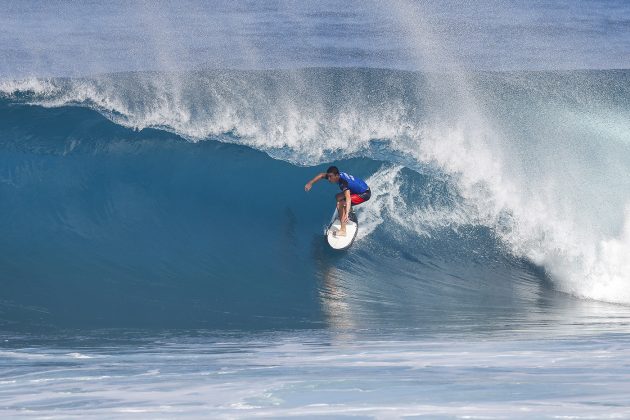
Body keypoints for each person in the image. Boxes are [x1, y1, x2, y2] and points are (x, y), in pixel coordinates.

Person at [305, 166, 371, 237]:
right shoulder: (337, 176)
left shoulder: (343, 183)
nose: (329, 179)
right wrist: (310, 183)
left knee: (340, 203)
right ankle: (348, 210)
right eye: (328, 176)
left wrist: (347, 213)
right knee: (338, 197)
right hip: (357, 188)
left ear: (336, 175)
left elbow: (348, 198)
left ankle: (343, 230)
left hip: (364, 194)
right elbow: (321, 175)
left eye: (331, 177)